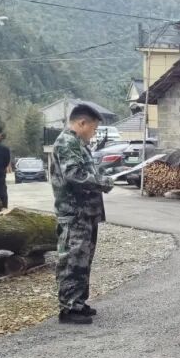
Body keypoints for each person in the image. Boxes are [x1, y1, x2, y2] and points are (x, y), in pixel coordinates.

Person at [50, 103, 112, 325]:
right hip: (74, 214)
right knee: (72, 260)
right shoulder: (67, 142)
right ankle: (69, 308)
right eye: (93, 129)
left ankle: (78, 302)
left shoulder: (79, 144)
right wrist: (102, 182)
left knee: (83, 260)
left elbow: (87, 171)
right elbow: (74, 175)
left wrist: (101, 176)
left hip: (86, 214)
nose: (93, 134)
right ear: (82, 123)